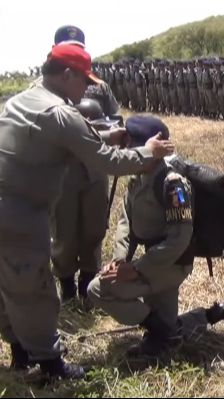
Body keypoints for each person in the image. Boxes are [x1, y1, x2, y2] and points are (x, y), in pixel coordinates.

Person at [0, 45, 174, 379]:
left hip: (6, 209)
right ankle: (50, 366)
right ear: (67, 75)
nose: (88, 89)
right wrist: (145, 151)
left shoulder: (23, 100)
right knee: (33, 289)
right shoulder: (59, 113)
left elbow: (67, 138)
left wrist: (112, 135)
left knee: (7, 286)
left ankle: (20, 350)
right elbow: (103, 160)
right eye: (85, 81)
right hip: (20, 216)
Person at [88, 115, 196, 356]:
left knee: (99, 289)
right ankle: (172, 329)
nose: (129, 153)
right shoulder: (138, 178)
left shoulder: (173, 185)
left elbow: (179, 239)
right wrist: (119, 260)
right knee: (167, 319)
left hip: (171, 263)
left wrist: (137, 269)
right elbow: (125, 221)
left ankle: (162, 335)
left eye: (133, 147)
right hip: (153, 260)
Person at [51, 25, 119, 302]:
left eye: (78, 50)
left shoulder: (99, 85)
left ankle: (88, 283)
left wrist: (106, 129)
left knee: (94, 226)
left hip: (95, 167)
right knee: (64, 229)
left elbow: (116, 117)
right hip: (63, 171)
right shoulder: (50, 89)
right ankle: (66, 284)